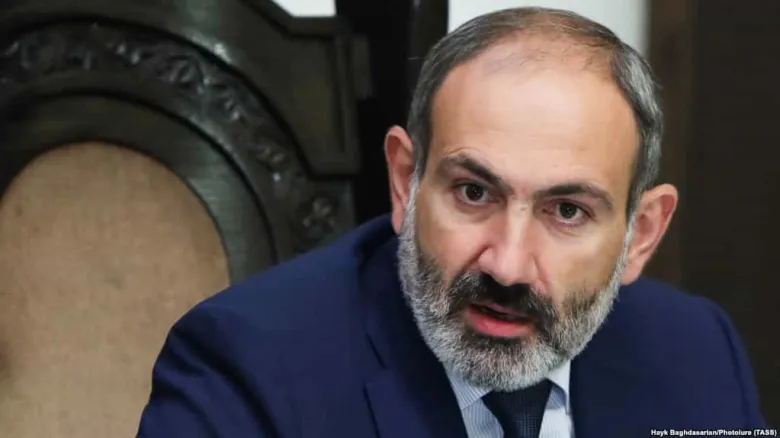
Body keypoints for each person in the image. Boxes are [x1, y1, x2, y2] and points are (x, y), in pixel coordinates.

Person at [137, 7, 767, 438]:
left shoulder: (697, 351)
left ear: (642, 234)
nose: (507, 266)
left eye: (567, 211)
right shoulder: (248, 364)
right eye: (473, 192)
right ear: (405, 182)